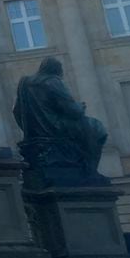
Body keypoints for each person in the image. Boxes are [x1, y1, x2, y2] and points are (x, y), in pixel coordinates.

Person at [13, 56, 108, 184]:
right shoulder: (53, 81)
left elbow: (16, 111)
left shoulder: (24, 83)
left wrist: (29, 130)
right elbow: (74, 111)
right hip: (56, 127)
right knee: (97, 128)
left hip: (33, 133)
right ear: (57, 70)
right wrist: (81, 106)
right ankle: (90, 171)